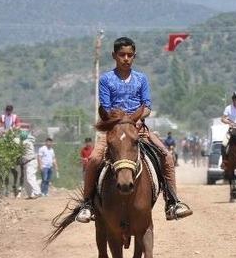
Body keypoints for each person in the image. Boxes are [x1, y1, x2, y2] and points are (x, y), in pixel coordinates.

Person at [76, 36, 192, 223]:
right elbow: (105, 108)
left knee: (167, 157)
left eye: (130, 55)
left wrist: (137, 119)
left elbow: (146, 106)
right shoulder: (106, 80)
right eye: (122, 54)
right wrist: (123, 122)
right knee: (94, 159)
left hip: (139, 129)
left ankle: (172, 202)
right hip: (114, 131)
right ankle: (87, 203)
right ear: (114, 55)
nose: (126, 58)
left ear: (134, 56)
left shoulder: (141, 79)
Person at [20, 129, 42, 199]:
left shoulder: (26, 142)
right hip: (26, 163)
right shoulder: (27, 141)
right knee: (26, 180)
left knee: (30, 178)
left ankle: (37, 192)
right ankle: (30, 194)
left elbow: (19, 143)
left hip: (31, 162)